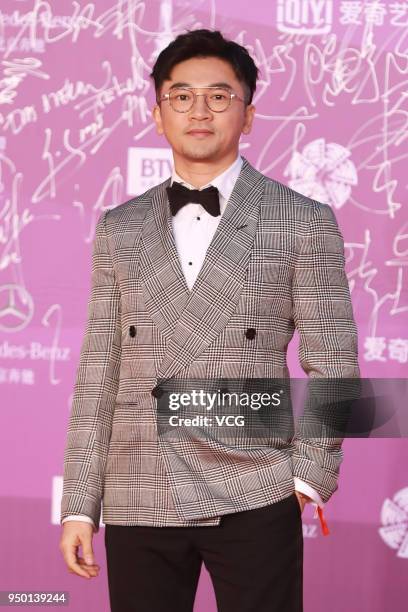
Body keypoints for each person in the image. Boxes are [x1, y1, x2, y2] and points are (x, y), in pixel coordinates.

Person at [59, 29, 360, 612]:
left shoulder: (303, 220)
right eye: (182, 96)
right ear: (158, 113)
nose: (200, 110)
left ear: (247, 115)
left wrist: (306, 482)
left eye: (220, 96)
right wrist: (79, 504)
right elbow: (100, 368)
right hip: (138, 483)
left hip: (255, 485)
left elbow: (333, 362)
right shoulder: (119, 227)